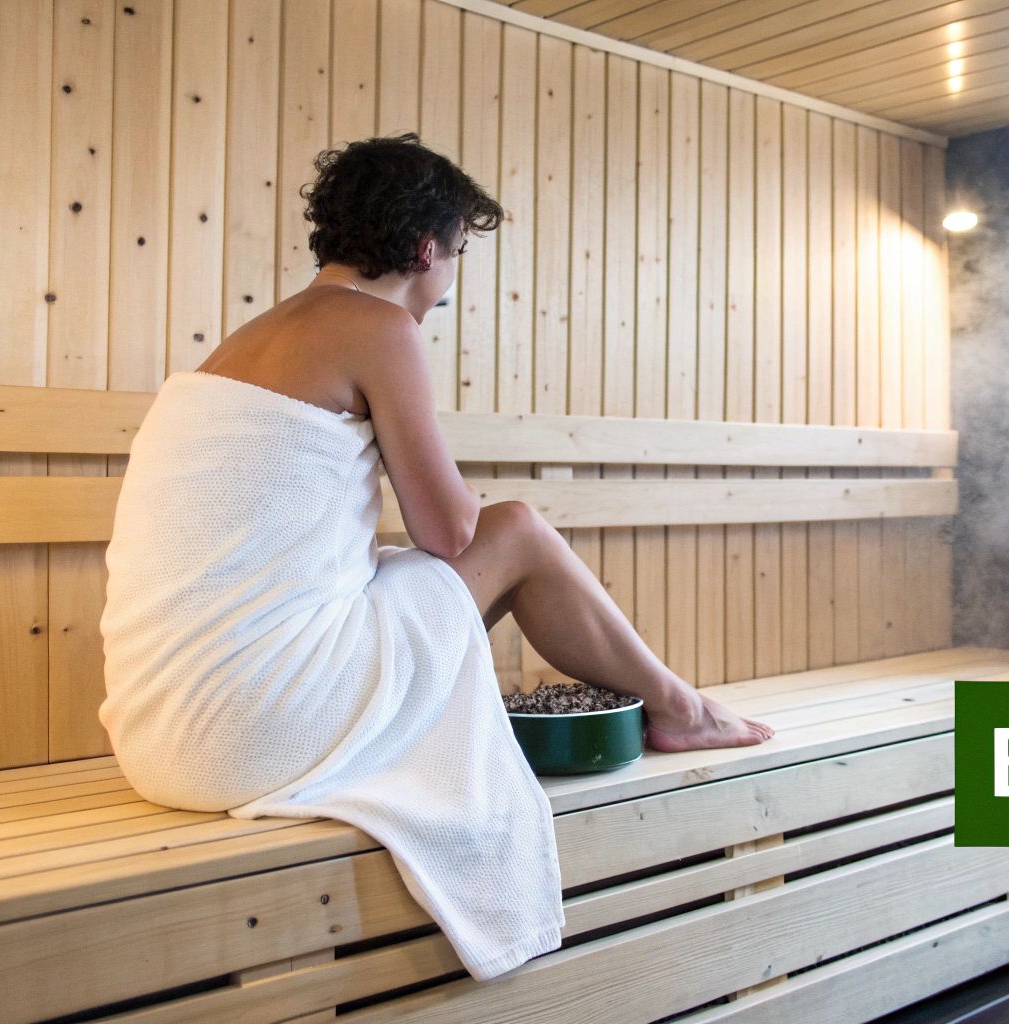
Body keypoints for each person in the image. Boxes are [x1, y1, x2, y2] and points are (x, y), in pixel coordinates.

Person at [97, 132, 769, 981]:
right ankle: (679, 708)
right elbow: (451, 535)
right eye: (456, 255)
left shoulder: (247, 344)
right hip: (253, 732)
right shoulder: (377, 325)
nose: (448, 279)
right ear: (427, 248)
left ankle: (674, 704)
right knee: (517, 529)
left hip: (159, 738)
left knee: (407, 571)